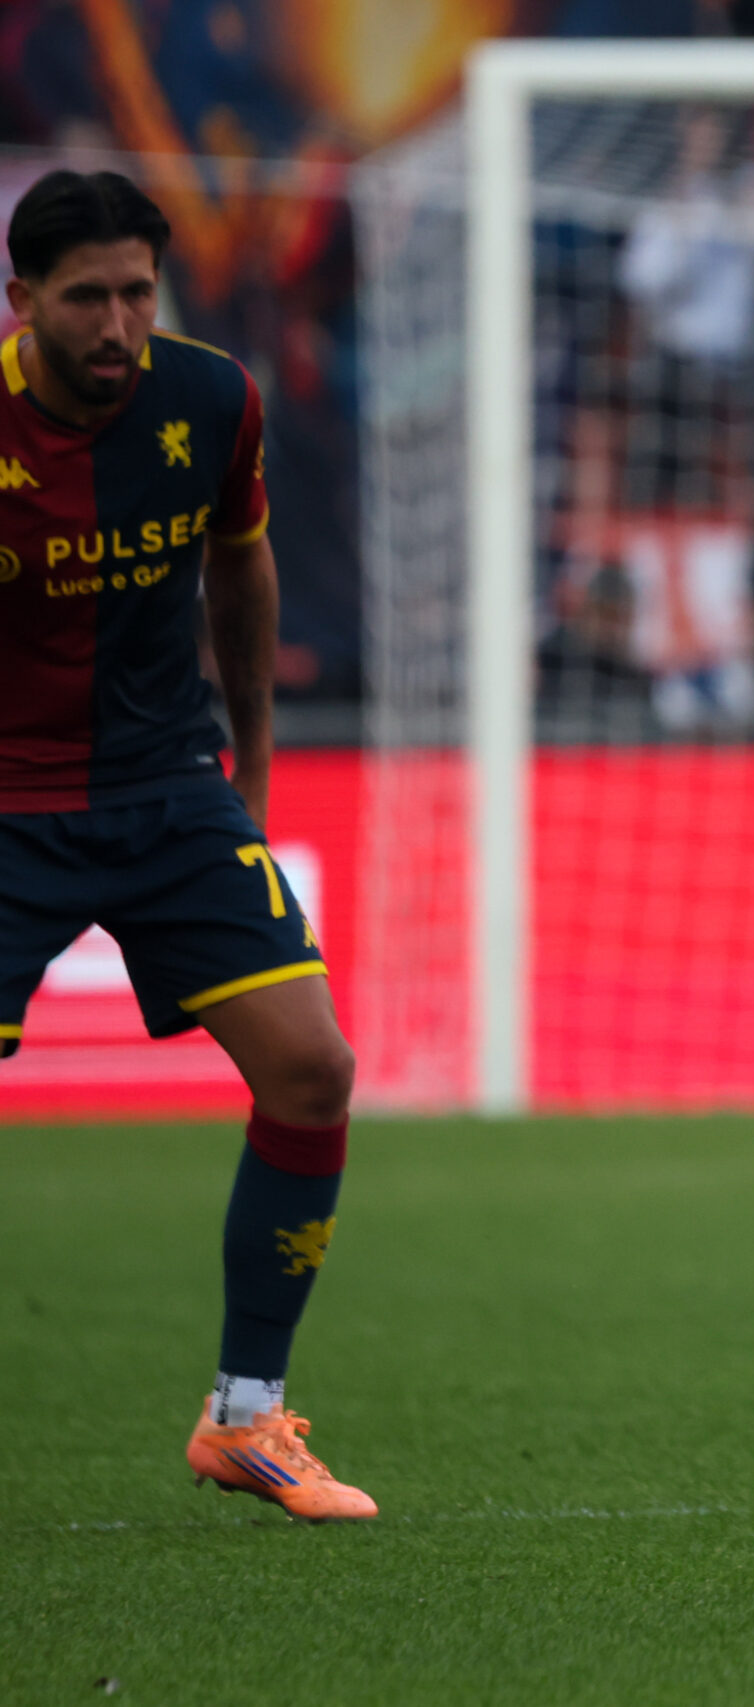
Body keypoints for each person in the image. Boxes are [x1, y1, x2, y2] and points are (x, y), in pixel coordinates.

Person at [0, 172, 370, 1518]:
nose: (117, 325)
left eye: (136, 294)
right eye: (86, 298)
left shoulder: (211, 397)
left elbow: (240, 568)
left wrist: (251, 775)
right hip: (8, 805)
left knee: (314, 1069)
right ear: (21, 299)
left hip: (168, 789)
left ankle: (246, 1415)